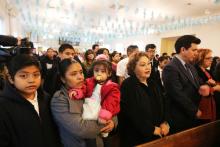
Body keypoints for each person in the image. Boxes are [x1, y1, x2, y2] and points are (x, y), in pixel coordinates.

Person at [51, 58, 116, 147]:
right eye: (74, 74)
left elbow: (112, 105)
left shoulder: (91, 88)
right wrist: (106, 123)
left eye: (81, 72)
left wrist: (113, 122)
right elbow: (82, 129)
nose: (80, 77)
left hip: (98, 142)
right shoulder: (60, 99)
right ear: (63, 79)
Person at [0, 54, 61, 147]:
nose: (31, 80)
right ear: (11, 78)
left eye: (36, 75)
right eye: (23, 76)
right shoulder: (3, 106)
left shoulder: (47, 99)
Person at [119, 52, 170, 147]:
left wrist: (164, 122)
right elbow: (131, 113)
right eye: (143, 65)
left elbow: (163, 104)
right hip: (137, 137)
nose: (148, 67)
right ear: (133, 68)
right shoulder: (128, 85)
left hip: (157, 133)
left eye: (148, 64)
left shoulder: (152, 83)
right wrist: (150, 129)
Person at [162, 35, 210, 133]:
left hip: (191, 115)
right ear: (183, 50)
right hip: (179, 116)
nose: (196, 53)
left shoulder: (191, 66)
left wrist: (204, 86)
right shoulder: (171, 68)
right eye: (194, 50)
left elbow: (199, 82)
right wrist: (194, 110)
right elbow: (177, 94)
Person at [68, 55, 120, 138]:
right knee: (86, 118)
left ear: (109, 73)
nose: (99, 73)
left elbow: (111, 102)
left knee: (103, 125)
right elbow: (83, 88)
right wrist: (77, 92)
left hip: (101, 108)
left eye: (103, 71)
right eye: (96, 71)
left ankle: (102, 133)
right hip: (89, 105)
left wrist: (104, 115)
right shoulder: (89, 81)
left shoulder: (112, 87)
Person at [195, 49, 220, 121]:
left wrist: (215, 84)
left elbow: (214, 83)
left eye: (211, 58)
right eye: (208, 58)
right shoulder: (196, 70)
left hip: (213, 103)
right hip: (204, 106)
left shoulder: (207, 71)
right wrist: (215, 87)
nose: (211, 60)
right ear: (200, 59)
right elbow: (198, 88)